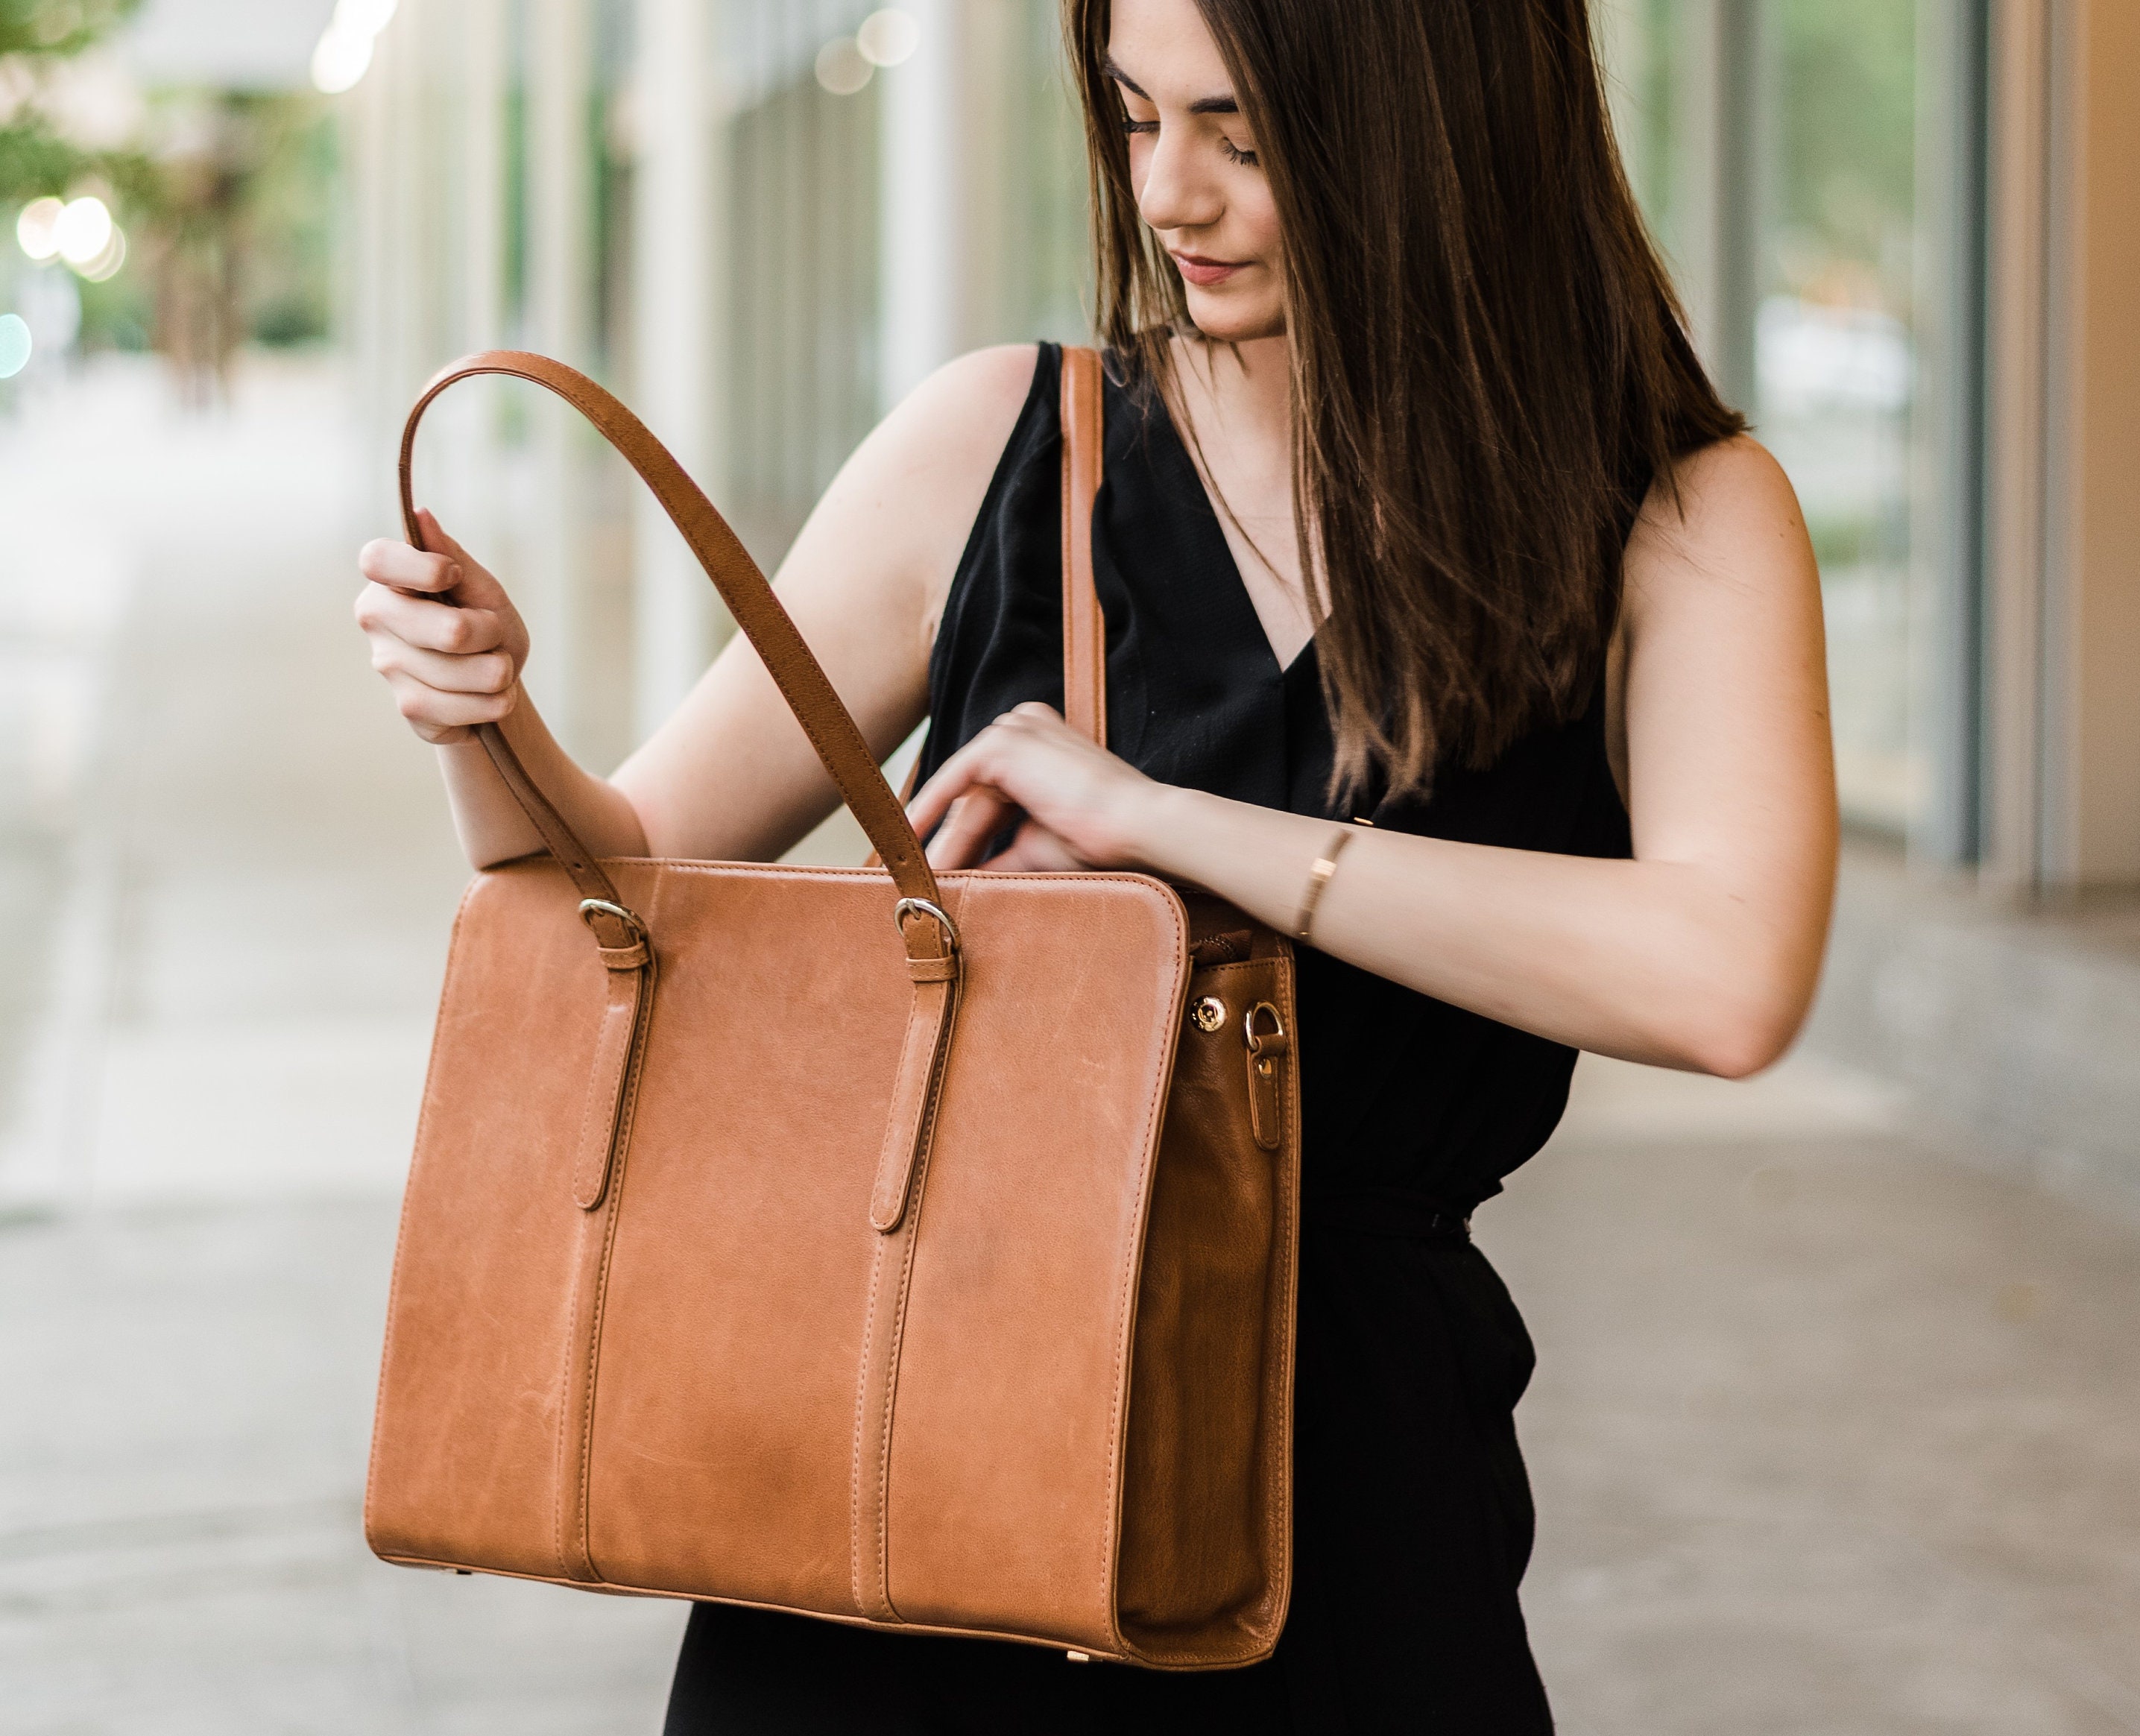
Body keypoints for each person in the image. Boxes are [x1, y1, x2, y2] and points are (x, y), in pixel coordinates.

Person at [354, 0, 1837, 1726]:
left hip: (1349, 1516)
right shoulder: (999, 445)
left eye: (1246, 136)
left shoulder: (1677, 515)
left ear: (1442, 138)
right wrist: (486, 721)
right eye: (1136, 120)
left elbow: (1726, 978)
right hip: (919, 1475)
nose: (1169, 194)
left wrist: (1158, 823)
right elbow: (614, 893)